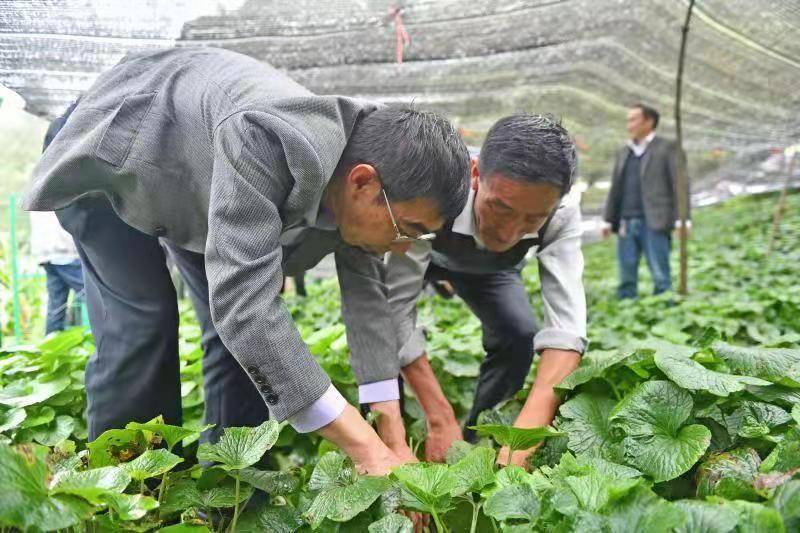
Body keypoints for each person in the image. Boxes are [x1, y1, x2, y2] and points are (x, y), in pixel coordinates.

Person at [24, 47, 470, 476]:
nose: (402, 247)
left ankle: (231, 488)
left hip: (195, 174)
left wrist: (390, 431)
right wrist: (364, 447)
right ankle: (135, 494)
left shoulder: (378, 165)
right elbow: (246, 307)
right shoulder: (269, 138)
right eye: (407, 229)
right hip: (117, 146)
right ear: (363, 184)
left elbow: (368, 305)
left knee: (238, 344)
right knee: (144, 325)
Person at [350, 114, 587, 468]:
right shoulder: (437, 187)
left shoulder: (561, 213)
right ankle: (387, 450)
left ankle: (481, 438)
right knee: (382, 348)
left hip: (491, 269)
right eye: (500, 208)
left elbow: (568, 331)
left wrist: (523, 437)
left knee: (517, 333)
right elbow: (394, 311)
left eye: (532, 219)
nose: (509, 232)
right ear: (475, 174)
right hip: (421, 247)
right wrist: (439, 415)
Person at [602, 103, 690, 299]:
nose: (629, 124)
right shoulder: (624, 151)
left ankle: (664, 305)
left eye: (633, 119)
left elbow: (680, 185)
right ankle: (626, 307)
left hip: (655, 221)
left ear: (649, 122)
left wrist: (683, 219)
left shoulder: (667, 148)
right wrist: (608, 219)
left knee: (660, 273)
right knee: (626, 272)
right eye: (628, 120)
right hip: (626, 221)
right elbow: (615, 188)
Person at [29, 210, 84, 334]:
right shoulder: (56, 192)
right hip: (65, 251)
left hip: (47, 255)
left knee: (56, 307)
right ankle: (108, 340)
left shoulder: (37, 195)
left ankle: (51, 346)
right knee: (96, 295)